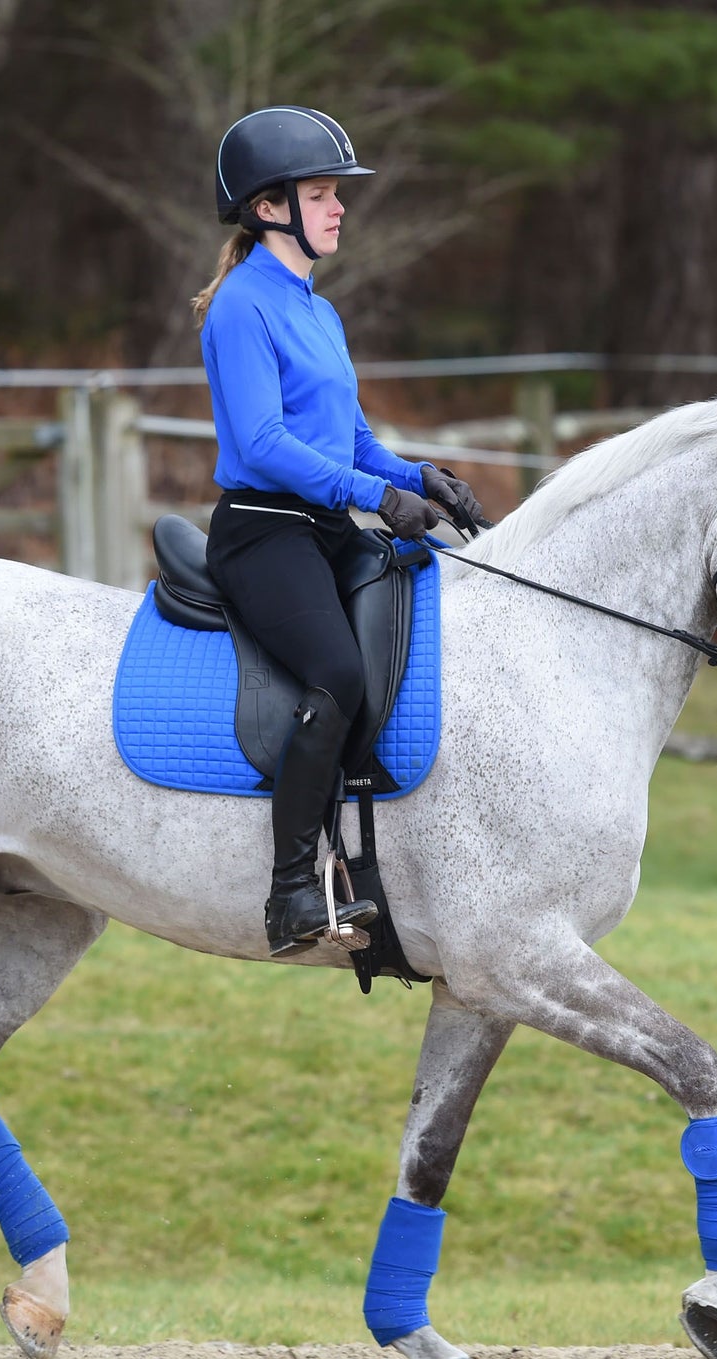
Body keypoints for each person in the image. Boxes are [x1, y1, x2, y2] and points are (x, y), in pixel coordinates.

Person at [191, 105, 487, 959]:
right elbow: (264, 445)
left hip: (320, 524)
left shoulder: (316, 307)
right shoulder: (243, 306)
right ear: (268, 207)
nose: (339, 208)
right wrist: (373, 495)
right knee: (334, 672)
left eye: (335, 195)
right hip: (263, 533)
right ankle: (290, 891)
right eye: (321, 194)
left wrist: (413, 477)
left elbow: (348, 435)